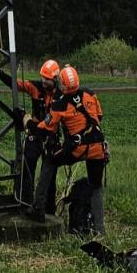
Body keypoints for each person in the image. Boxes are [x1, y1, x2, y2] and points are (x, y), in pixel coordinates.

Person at [31, 64, 108, 236]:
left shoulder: (60, 104)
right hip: (98, 147)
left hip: (77, 148)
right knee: (96, 186)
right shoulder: (90, 93)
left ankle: (39, 206)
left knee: (50, 161)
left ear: (62, 84)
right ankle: (99, 229)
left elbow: (46, 127)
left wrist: (29, 123)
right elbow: (99, 116)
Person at [15, 58, 60, 211]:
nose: (44, 81)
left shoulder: (60, 96)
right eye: (42, 78)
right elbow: (17, 84)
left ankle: (48, 209)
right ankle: (25, 204)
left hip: (49, 137)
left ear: (55, 79)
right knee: (28, 170)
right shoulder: (35, 87)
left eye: (47, 79)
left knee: (48, 177)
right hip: (34, 136)